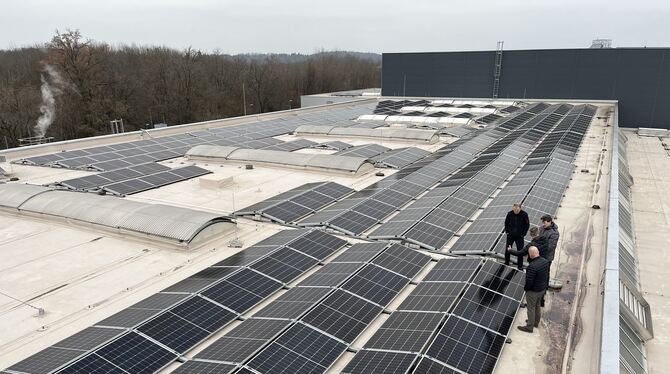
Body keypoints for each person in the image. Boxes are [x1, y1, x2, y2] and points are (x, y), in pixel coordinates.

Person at [517, 246, 550, 333]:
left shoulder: (532, 266)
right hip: (542, 289)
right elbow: (547, 275)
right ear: (538, 252)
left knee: (531, 308)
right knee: (537, 306)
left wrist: (526, 289)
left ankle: (529, 327)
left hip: (533, 291)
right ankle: (535, 322)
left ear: (530, 255)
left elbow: (529, 281)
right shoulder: (545, 261)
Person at [539, 214, 559, 307]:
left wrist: (537, 249)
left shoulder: (554, 233)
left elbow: (550, 247)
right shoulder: (542, 228)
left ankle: (544, 291)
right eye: (542, 222)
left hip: (547, 257)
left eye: (544, 222)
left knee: (545, 274)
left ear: (549, 221)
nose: (543, 224)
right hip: (539, 255)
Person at [504, 203, 530, 269]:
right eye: (514, 209)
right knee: (508, 250)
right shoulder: (510, 214)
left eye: (517, 210)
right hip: (510, 235)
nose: (516, 211)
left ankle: (520, 266)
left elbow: (527, 225)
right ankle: (506, 262)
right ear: (513, 208)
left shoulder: (524, 214)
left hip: (519, 237)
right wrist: (507, 232)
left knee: (520, 251)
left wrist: (523, 234)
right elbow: (506, 223)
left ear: (520, 208)